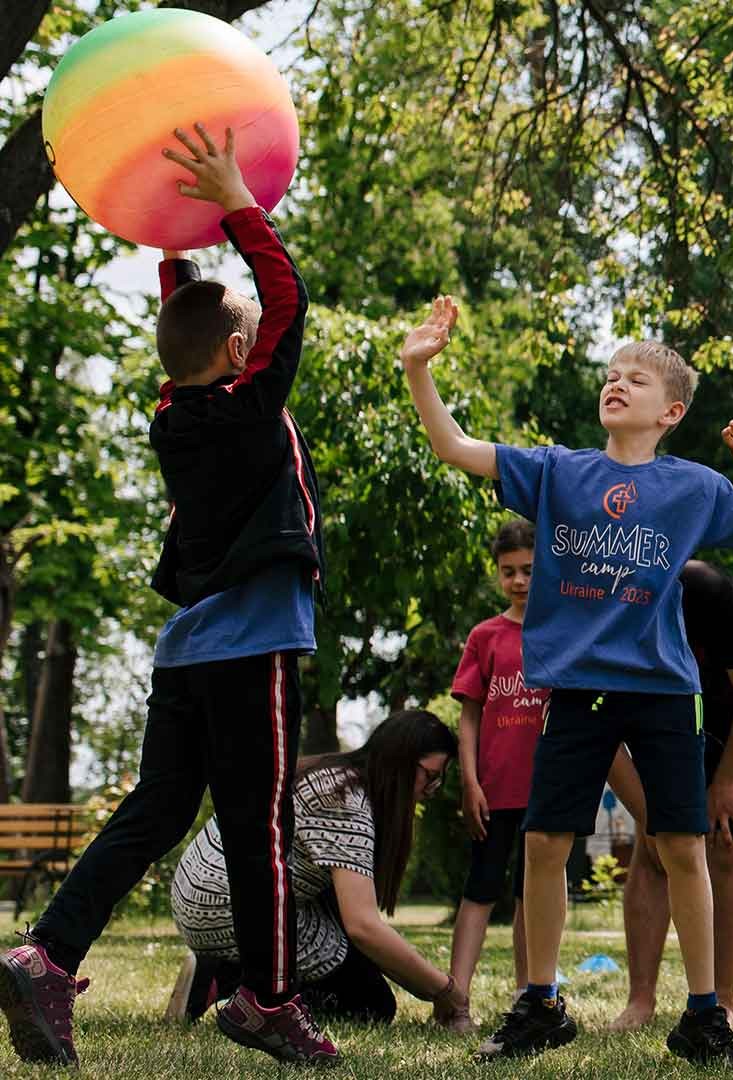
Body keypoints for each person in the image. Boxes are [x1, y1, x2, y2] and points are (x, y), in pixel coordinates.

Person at [0, 125, 338, 1066]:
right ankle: (269, 1001)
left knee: (156, 806)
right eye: (247, 340)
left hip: (186, 653)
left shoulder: (174, 410)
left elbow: (191, 319)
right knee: (258, 832)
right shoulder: (250, 410)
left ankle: (46, 953)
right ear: (239, 352)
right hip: (253, 647)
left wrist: (170, 236)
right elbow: (288, 298)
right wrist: (237, 201)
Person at [399, 296, 733, 1066]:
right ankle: (540, 1002)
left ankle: (704, 1016)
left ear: (671, 411)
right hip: (576, 689)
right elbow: (453, 445)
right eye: (610, 375)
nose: (616, 385)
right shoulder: (558, 472)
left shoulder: (692, 488)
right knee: (547, 841)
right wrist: (420, 369)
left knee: (681, 845)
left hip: (659, 691)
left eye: (637, 381)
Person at [167, 711, 467, 1029]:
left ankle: (221, 972)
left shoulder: (326, 770)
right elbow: (363, 927)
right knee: (368, 1003)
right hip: (225, 905)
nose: (434, 787)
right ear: (399, 760)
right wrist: (445, 991)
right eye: (429, 775)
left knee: (354, 965)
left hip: (197, 887)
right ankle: (233, 988)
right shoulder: (347, 801)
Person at [609, 560, 733, 1030]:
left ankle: (722, 998)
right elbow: (601, 734)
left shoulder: (707, 590)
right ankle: (641, 999)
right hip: (657, 707)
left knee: (729, 840)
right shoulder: (598, 597)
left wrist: (726, 781)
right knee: (652, 847)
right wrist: (648, 813)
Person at [445, 519, 548, 1029]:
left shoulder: (561, 632)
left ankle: (530, 997)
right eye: (509, 572)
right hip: (494, 791)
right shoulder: (484, 637)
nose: (520, 581)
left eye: (529, 570)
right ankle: (454, 998)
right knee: (480, 890)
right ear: (497, 575)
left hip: (546, 793)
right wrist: (470, 782)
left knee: (534, 896)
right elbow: (469, 715)